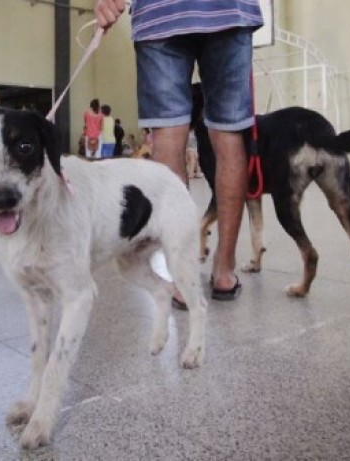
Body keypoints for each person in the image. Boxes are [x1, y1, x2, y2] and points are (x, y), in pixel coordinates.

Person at [95, 0, 263, 301]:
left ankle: (183, 277)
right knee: (229, 136)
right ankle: (224, 271)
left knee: (168, 137)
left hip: (161, 13)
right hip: (228, 10)